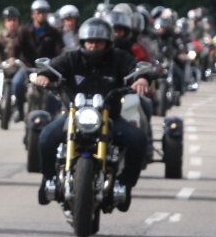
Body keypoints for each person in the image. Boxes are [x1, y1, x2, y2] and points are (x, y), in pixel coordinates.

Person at [34, 18, 150, 211]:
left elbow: (135, 68)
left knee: (138, 139)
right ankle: (49, 179)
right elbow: (53, 67)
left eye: (99, 42)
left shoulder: (119, 58)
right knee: (46, 136)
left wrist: (142, 78)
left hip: (110, 117)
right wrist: (44, 75)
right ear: (83, 42)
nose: (94, 46)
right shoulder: (72, 58)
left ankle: (125, 184)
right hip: (74, 116)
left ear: (108, 43)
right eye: (90, 42)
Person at [11, 0, 64, 121]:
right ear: (33, 14)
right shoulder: (24, 31)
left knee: (56, 90)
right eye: (38, 12)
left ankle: (52, 115)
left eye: (44, 12)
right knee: (16, 83)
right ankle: (19, 111)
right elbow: (16, 46)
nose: (41, 14)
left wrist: (57, 62)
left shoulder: (54, 32)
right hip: (27, 68)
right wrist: (13, 58)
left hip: (47, 69)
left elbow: (59, 50)